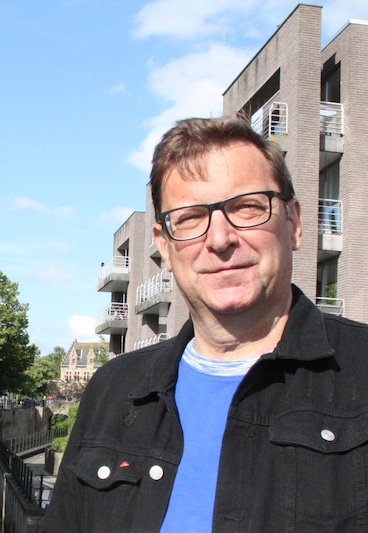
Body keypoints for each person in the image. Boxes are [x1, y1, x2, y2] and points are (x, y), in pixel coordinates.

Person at [42, 115, 368, 532]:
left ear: (294, 224)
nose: (219, 239)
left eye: (247, 207)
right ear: (164, 246)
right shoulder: (112, 390)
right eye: (191, 218)